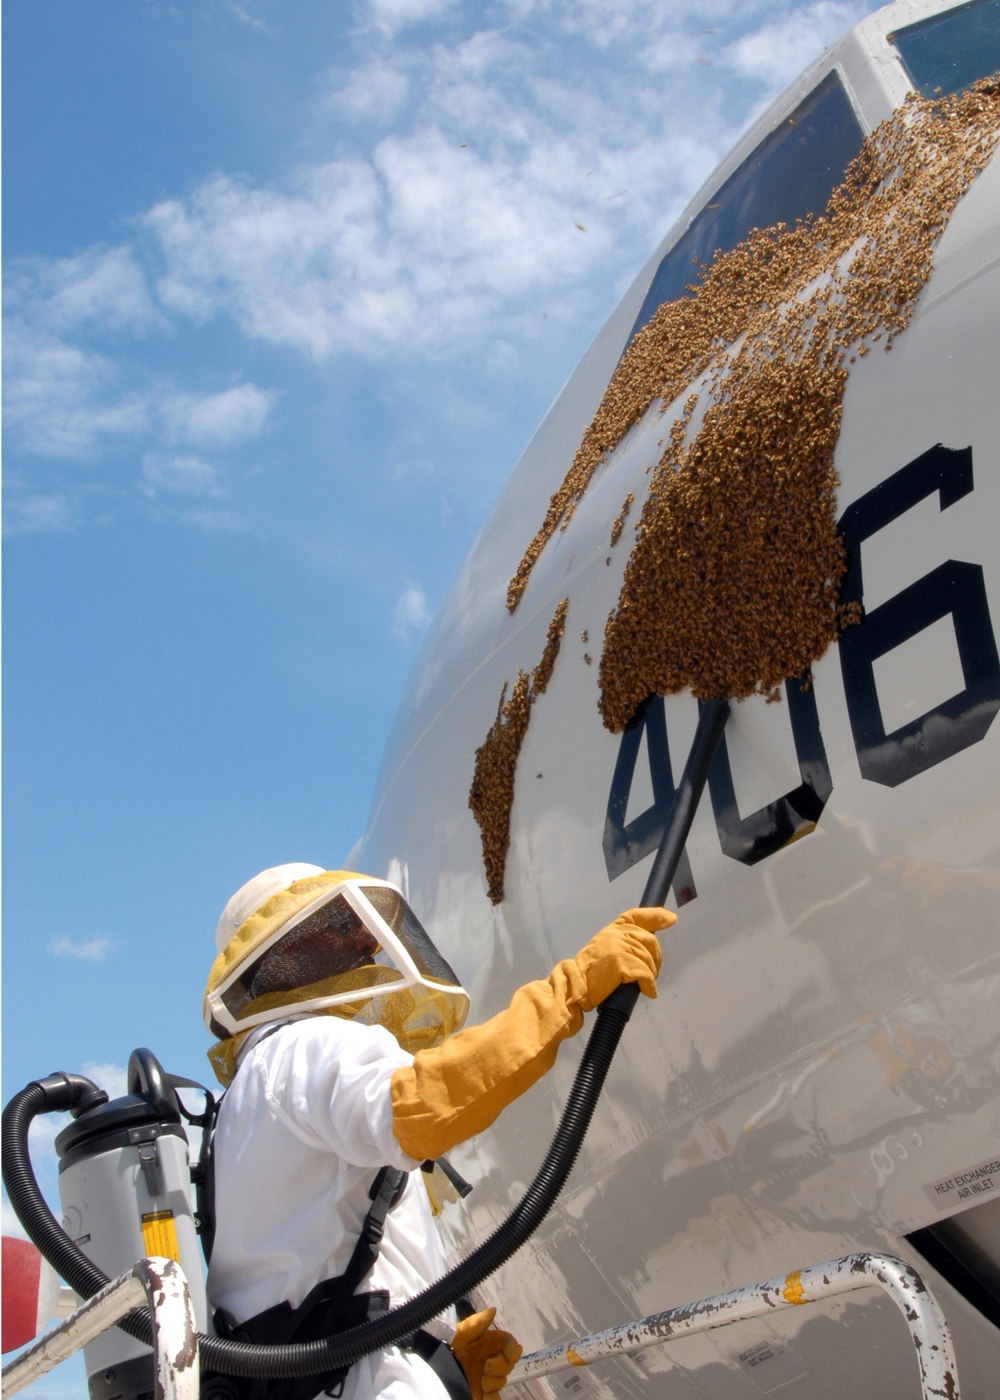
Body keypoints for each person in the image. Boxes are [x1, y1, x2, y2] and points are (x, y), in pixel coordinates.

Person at [203, 864, 674, 1400]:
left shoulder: (247, 1096)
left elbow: (316, 1261)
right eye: (340, 927)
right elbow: (420, 1107)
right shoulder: (304, 1044)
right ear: (283, 956)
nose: (364, 944)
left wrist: (437, 1350)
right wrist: (568, 992)